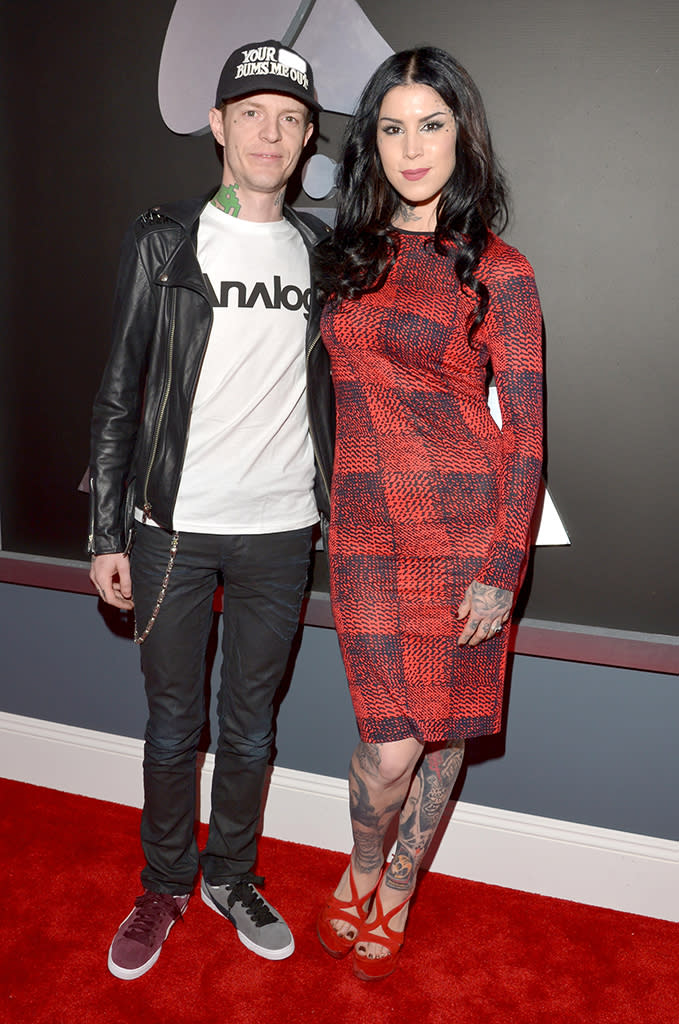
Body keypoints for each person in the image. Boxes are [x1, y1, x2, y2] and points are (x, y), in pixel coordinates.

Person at [88, 39, 333, 980]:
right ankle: (164, 884)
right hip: (172, 530)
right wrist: (107, 529)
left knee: (252, 726)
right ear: (218, 124)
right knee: (170, 725)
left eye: (289, 117)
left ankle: (233, 877)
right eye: (252, 112)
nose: (269, 132)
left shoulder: (321, 248)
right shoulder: (164, 238)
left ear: (307, 137)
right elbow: (119, 391)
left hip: (282, 531)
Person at [315, 46, 543, 981]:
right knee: (385, 743)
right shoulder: (342, 253)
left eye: (432, 123)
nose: (413, 147)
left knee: (440, 729)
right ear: (371, 142)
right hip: (364, 530)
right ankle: (364, 860)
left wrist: (504, 564)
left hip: (462, 529)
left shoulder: (500, 269)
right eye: (392, 126)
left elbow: (525, 433)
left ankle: (396, 884)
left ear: (462, 133)